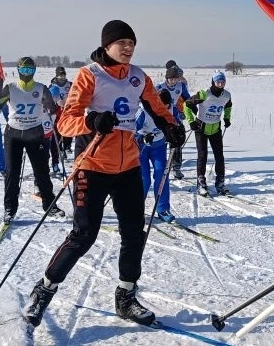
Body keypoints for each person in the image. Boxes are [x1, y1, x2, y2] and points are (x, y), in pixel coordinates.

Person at [23, 20, 185, 328]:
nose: (128, 47)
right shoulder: (90, 75)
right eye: (122, 42)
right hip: (93, 165)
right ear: (107, 45)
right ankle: (43, 290)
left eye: (132, 43)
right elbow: (65, 123)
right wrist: (92, 121)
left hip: (128, 167)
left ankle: (126, 297)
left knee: (134, 233)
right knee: (84, 235)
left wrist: (171, 127)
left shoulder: (139, 77)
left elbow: (158, 109)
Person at [0, 57, 64, 224]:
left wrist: (48, 104)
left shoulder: (41, 88)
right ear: (19, 70)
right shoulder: (10, 87)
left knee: (42, 172)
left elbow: (52, 108)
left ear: (34, 71)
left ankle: (50, 205)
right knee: (12, 173)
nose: (26, 73)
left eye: (29, 70)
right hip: (13, 134)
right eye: (23, 70)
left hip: (34, 133)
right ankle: (9, 209)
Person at [184, 71, 233, 196]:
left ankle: (220, 183)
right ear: (213, 82)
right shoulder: (204, 94)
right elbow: (187, 104)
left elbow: (228, 106)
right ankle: (201, 183)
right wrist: (191, 121)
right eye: (218, 82)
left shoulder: (227, 95)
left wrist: (227, 118)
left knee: (219, 156)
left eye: (223, 82)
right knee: (202, 155)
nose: (220, 84)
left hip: (216, 128)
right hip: (201, 128)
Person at [135, 88, 177, 222]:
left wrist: (177, 135)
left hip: (159, 146)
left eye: (167, 106)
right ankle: (136, 209)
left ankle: (163, 209)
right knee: (144, 179)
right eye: (162, 107)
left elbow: (176, 125)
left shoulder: (171, 109)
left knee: (162, 175)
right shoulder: (143, 112)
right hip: (141, 148)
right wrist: (141, 138)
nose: (164, 110)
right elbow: (130, 132)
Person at [156, 63, 190, 179]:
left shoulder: (181, 86)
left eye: (176, 79)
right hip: (162, 117)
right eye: (171, 79)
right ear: (167, 78)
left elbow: (187, 99)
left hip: (175, 115)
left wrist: (189, 109)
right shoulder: (159, 87)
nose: (174, 81)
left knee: (177, 141)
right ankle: (164, 167)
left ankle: (176, 167)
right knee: (162, 142)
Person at [48, 66, 74, 171]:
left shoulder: (70, 84)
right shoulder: (52, 86)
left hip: (68, 110)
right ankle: (59, 151)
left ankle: (67, 146)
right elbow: (49, 99)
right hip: (57, 112)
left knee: (68, 130)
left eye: (64, 75)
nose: (62, 77)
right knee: (57, 132)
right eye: (60, 75)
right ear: (56, 76)